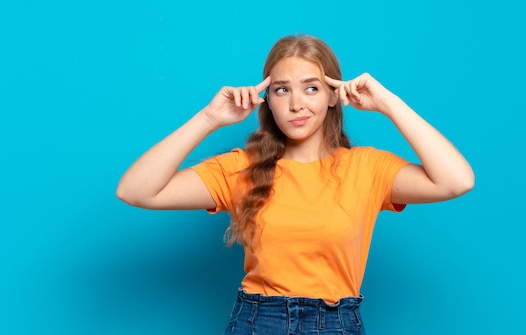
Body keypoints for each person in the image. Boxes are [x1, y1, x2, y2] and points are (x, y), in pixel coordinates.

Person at [116, 34, 474, 335]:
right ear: (267, 100)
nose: (297, 104)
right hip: (257, 321)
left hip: (337, 322)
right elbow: (135, 190)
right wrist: (209, 118)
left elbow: (456, 181)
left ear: (334, 95)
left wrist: (388, 103)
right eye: (282, 90)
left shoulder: (367, 168)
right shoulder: (242, 168)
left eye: (312, 88)